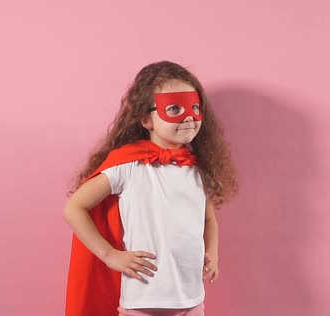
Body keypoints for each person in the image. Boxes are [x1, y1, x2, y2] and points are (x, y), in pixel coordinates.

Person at [63, 61, 238, 316]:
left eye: (195, 107)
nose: (189, 116)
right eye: (175, 108)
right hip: (143, 300)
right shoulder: (127, 166)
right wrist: (110, 254)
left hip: (191, 299)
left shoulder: (198, 169)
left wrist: (212, 252)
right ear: (147, 119)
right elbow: (74, 208)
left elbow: (208, 219)